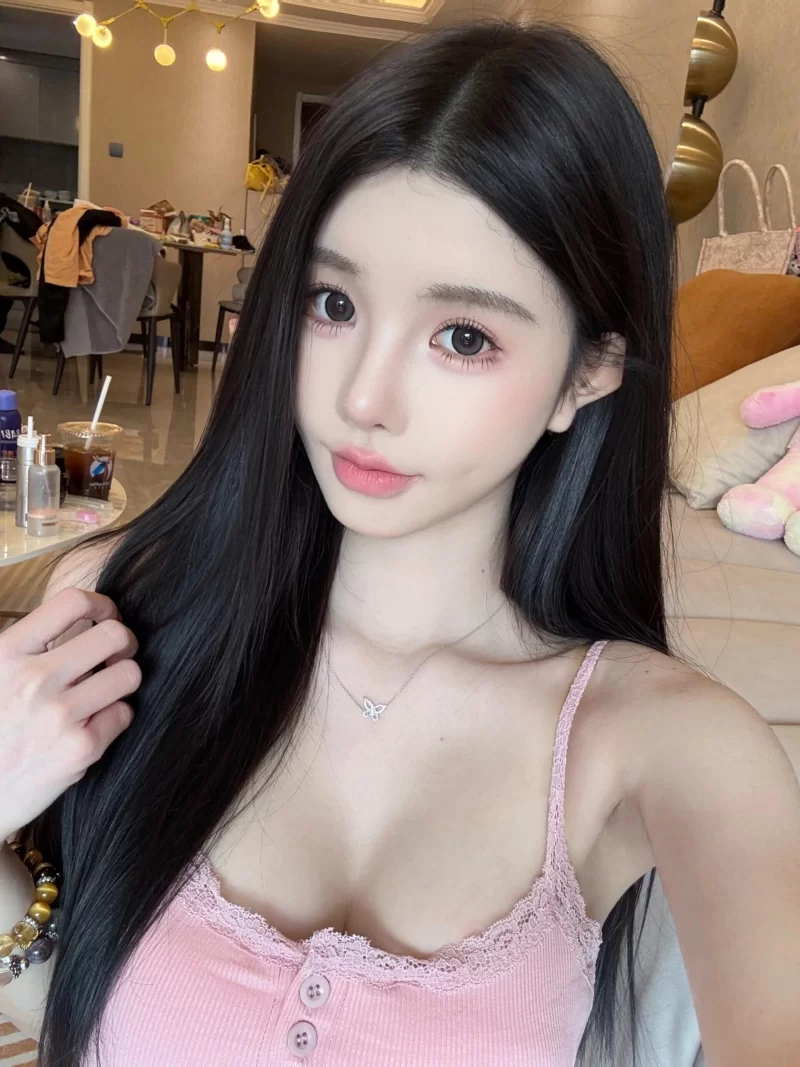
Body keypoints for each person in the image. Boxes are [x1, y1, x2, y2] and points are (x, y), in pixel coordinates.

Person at [1, 19, 799, 1067]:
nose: (363, 399)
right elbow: (84, 1013)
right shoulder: (129, 611)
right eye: (333, 303)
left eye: (463, 336)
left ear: (588, 372)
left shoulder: (668, 745)